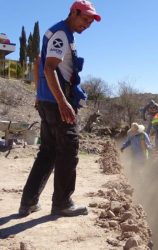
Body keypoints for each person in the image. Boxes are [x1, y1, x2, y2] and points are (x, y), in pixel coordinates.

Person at [18, 0, 101, 217]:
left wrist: (39, 94)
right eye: (85, 19)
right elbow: (48, 66)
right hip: (56, 103)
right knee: (69, 148)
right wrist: (63, 102)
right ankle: (62, 203)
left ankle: (28, 202)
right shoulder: (61, 34)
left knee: (47, 151)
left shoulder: (62, 34)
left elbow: (37, 61)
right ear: (74, 12)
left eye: (91, 22)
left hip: (48, 101)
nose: (88, 25)